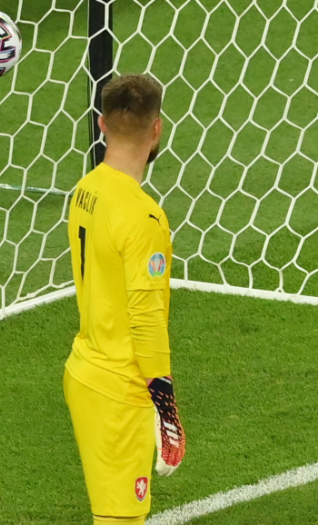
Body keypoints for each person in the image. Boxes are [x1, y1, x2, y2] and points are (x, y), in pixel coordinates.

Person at [64, 74, 185, 525]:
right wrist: (166, 406)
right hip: (119, 391)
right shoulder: (143, 217)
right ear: (157, 128)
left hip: (85, 370)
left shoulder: (86, 190)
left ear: (102, 124)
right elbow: (146, 317)